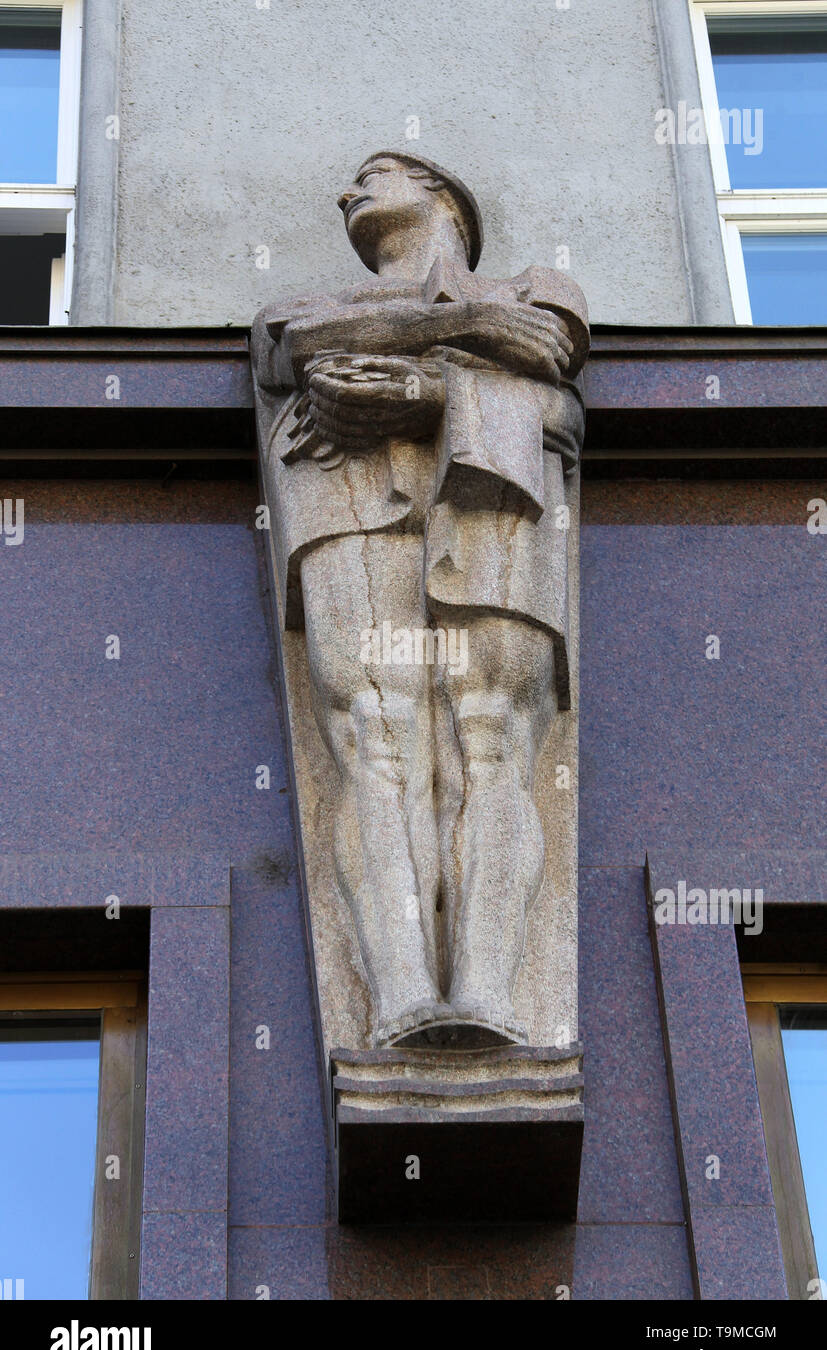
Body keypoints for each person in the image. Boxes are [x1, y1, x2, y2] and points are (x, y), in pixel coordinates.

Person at [252, 151, 588, 1048]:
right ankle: (397, 994)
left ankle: (489, 994)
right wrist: (478, 339)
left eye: (377, 172)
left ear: (440, 194)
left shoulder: (534, 285)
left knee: (494, 738)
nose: (347, 191)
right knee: (374, 733)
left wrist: (427, 389)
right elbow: (301, 350)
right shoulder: (308, 306)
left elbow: (552, 370)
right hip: (346, 500)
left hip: (497, 495)